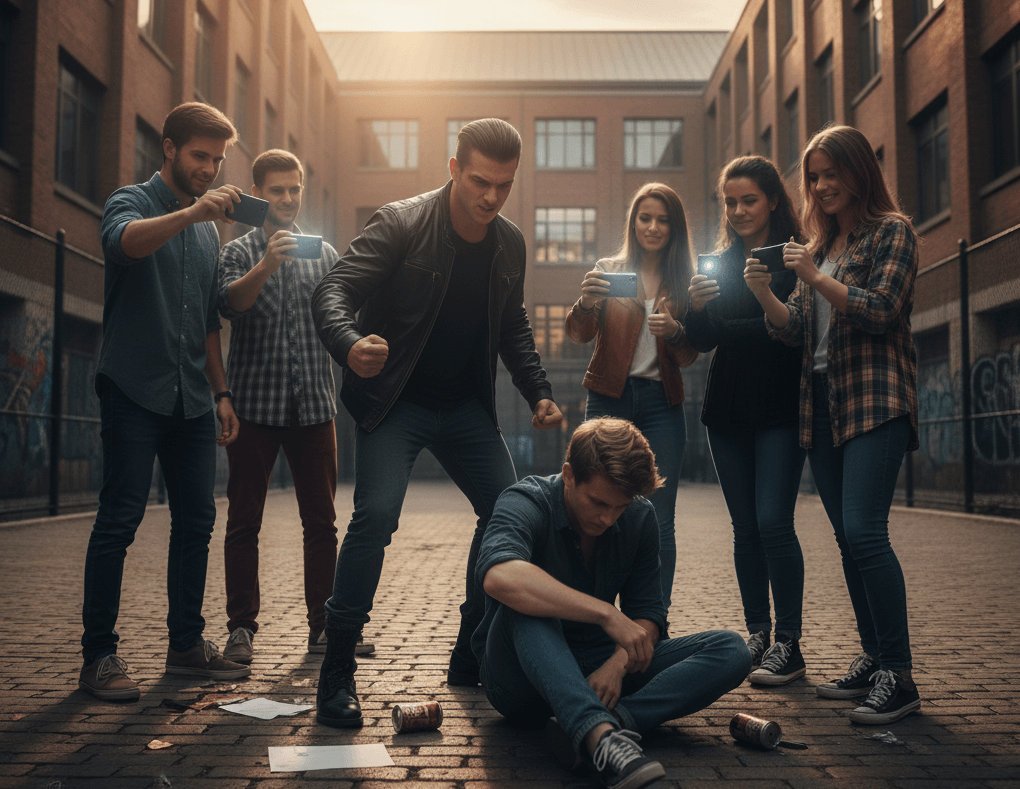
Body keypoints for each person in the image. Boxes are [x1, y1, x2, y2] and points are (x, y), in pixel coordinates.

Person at [310, 118, 563, 727]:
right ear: (454, 169)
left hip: (466, 406)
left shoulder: (509, 244)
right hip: (397, 401)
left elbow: (512, 325)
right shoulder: (401, 223)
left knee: (509, 512)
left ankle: (470, 650)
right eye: (480, 182)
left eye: (504, 185)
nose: (491, 197)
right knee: (375, 517)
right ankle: (337, 670)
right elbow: (333, 290)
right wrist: (349, 343)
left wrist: (538, 392)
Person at [744, 125, 921, 724]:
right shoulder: (820, 247)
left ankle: (899, 675)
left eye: (831, 173)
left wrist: (817, 278)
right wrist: (765, 293)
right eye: (814, 177)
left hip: (875, 397)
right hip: (819, 402)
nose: (821, 186)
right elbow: (795, 328)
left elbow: (882, 309)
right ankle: (874, 658)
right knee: (848, 538)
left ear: (858, 171)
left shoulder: (892, 232)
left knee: (866, 533)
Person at [79, 102, 251, 701]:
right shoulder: (130, 200)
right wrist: (192, 213)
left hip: (193, 399)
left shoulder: (208, 231)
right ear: (170, 149)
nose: (209, 169)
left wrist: (221, 393)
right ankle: (98, 657)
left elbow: (207, 322)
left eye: (218, 160)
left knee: (197, 522)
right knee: (119, 521)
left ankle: (185, 646)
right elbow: (122, 245)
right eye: (200, 156)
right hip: (133, 388)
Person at [474, 417, 749, 789]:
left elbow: (648, 614)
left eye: (619, 506)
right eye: (598, 502)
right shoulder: (526, 500)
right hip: (521, 681)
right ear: (569, 475)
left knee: (731, 649)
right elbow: (499, 576)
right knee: (527, 604)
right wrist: (605, 613)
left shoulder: (639, 516)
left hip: (600, 672)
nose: (607, 518)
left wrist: (617, 666)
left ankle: (611, 724)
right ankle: (601, 739)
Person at [216, 149, 352, 667]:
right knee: (243, 522)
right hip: (254, 406)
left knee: (322, 523)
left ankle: (323, 627)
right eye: (278, 190)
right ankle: (241, 629)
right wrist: (268, 263)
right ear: (258, 193)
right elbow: (232, 305)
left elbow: (342, 315)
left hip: (314, 406)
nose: (289, 198)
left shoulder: (324, 253)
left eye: (295, 189)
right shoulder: (238, 250)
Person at [685, 155, 808, 685]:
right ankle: (758, 631)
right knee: (744, 527)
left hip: (781, 406)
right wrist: (696, 308)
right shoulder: (718, 263)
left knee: (774, 521)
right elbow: (702, 340)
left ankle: (789, 643)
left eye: (749, 200)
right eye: (730, 202)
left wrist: (733, 325)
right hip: (727, 408)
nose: (737, 210)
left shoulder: (797, 258)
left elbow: (791, 331)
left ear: (773, 200)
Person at [565, 183, 699, 622]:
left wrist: (675, 332)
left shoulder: (685, 281)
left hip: (663, 403)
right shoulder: (609, 269)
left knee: (660, 517)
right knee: (594, 507)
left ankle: (652, 620)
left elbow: (689, 356)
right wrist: (587, 302)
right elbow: (578, 334)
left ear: (674, 227)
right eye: (645, 218)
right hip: (609, 399)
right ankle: (591, 616)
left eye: (663, 220)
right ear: (633, 222)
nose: (653, 227)